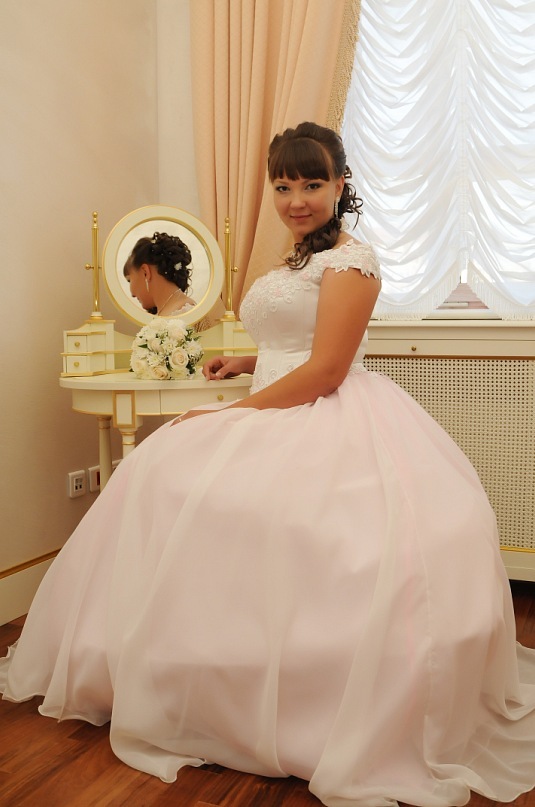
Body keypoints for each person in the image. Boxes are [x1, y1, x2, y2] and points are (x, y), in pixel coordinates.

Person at [1, 122, 535, 807]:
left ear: (340, 185)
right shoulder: (299, 258)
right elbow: (298, 341)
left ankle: (301, 689)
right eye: (282, 186)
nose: (295, 199)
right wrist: (246, 361)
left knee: (269, 514)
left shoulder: (353, 261)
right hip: (284, 394)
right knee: (162, 478)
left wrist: (233, 413)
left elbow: (328, 368)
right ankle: (187, 664)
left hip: (327, 407)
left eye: (311, 183)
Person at [123, 231, 197, 316]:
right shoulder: (171, 310)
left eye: (129, 280)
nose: (132, 294)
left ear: (145, 272)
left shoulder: (186, 312)